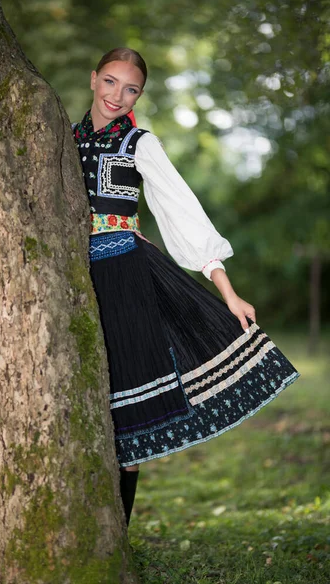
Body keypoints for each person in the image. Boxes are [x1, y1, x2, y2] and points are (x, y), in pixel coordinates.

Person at [71, 47, 300, 527]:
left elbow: (184, 213)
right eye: (110, 81)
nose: (117, 95)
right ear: (94, 79)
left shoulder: (139, 142)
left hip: (125, 278)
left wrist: (228, 291)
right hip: (69, 279)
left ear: (139, 94)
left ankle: (116, 540)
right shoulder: (62, 138)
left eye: (130, 88)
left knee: (126, 421)